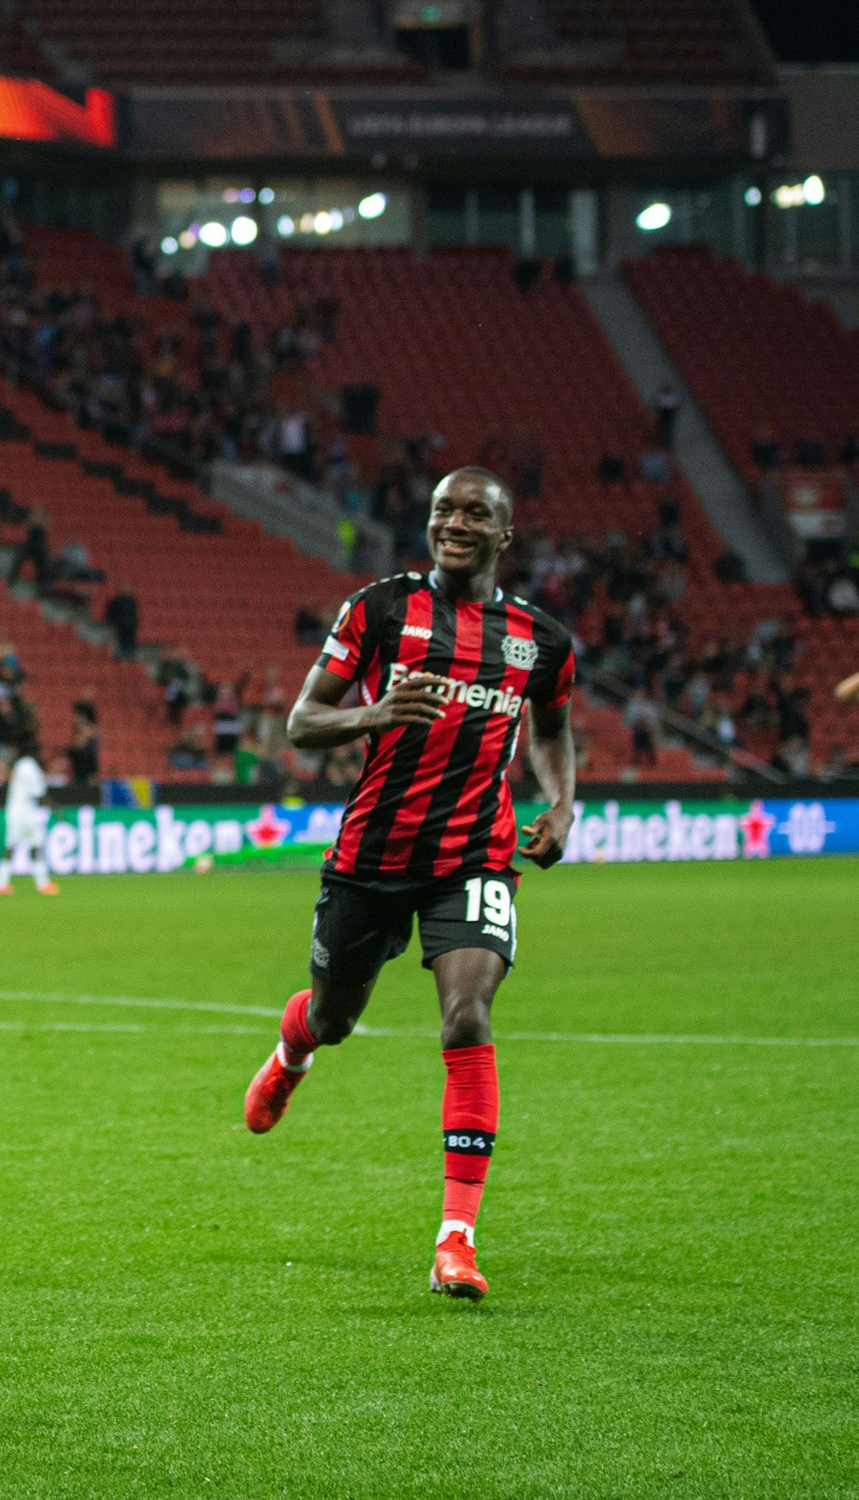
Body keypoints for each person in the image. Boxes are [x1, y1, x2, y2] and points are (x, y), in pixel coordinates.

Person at [240, 467, 576, 1303]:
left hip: (475, 855)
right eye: (442, 511)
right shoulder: (380, 611)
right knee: (335, 1016)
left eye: (475, 513)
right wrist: (372, 713)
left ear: (507, 534)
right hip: (372, 858)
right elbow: (302, 721)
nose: (455, 523)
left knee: (468, 1016)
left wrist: (564, 804)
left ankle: (455, 1240)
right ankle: (295, 1047)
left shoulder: (541, 641)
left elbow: (554, 733)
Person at [0, 739, 58, 896]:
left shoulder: (21, 765)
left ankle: (0, 884)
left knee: (12, 847)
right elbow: (40, 794)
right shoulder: (30, 766)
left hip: (15, 810)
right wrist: (56, 809)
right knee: (35, 846)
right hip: (25, 812)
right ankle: (43, 884)